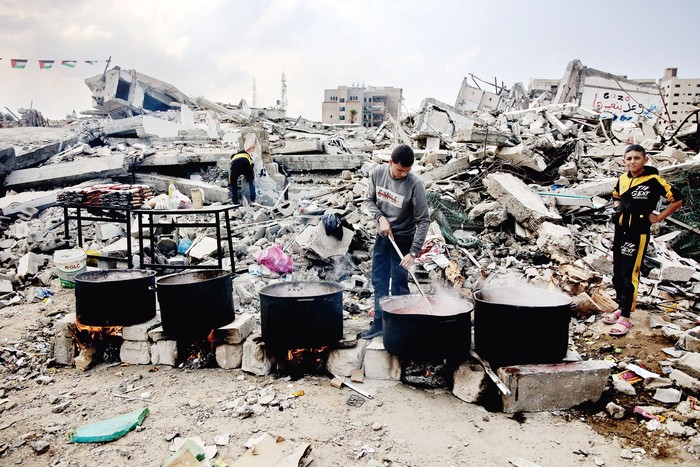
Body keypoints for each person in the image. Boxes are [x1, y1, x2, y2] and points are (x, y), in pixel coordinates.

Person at [603, 144, 684, 337]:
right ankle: (621, 308)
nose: (632, 161)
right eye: (628, 158)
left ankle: (626, 318)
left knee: (630, 274)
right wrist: (618, 208)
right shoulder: (622, 179)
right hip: (620, 231)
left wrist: (658, 217)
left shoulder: (654, 180)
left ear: (645, 160)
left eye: (636, 158)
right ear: (624, 161)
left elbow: (678, 199)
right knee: (617, 272)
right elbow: (615, 196)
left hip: (637, 232)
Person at [360, 145, 431, 339]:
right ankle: (379, 324)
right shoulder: (378, 173)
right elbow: (368, 201)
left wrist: (414, 252)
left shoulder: (415, 184)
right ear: (391, 162)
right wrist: (380, 218)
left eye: (407, 171)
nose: (403, 174)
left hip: (403, 240)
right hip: (384, 237)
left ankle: (400, 328)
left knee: (399, 283)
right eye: (399, 170)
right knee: (379, 279)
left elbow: (423, 220)